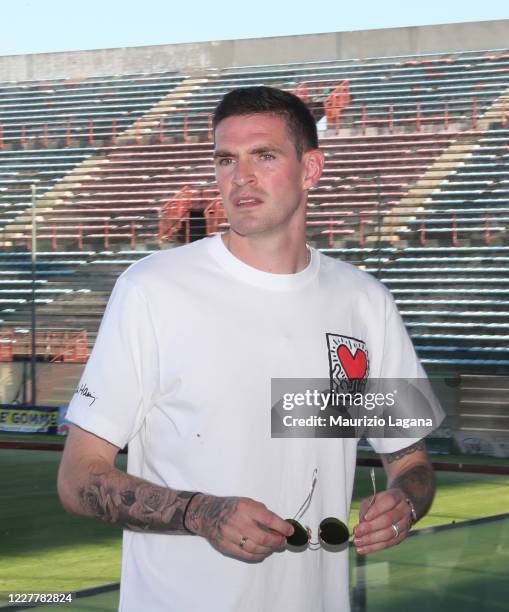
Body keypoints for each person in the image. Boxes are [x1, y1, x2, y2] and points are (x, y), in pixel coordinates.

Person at [58, 86, 442, 612]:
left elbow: (411, 460)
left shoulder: (364, 301)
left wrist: (404, 503)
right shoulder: (153, 288)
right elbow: (79, 477)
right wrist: (201, 513)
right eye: (225, 159)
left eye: (264, 155)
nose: (240, 176)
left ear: (311, 169)